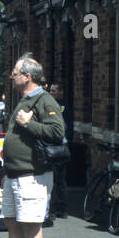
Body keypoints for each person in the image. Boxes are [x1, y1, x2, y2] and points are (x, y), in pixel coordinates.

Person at [0, 55, 64, 238]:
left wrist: (27, 124)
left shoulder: (45, 101)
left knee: (31, 225)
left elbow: (57, 132)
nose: (11, 76)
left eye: (15, 72)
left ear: (28, 76)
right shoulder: (24, 100)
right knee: (12, 223)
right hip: (14, 174)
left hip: (32, 176)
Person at [46, 83, 72, 219]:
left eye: (54, 91)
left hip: (58, 147)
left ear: (61, 92)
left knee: (59, 181)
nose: (51, 93)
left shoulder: (62, 107)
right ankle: (54, 209)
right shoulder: (50, 105)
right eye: (50, 91)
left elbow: (68, 126)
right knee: (54, 180)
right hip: (55, 146)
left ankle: (60, 209)